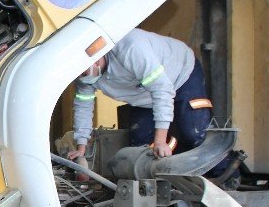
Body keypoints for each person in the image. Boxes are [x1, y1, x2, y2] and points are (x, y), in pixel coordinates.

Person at [68, 28, 222, 167]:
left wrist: (160, 142)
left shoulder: (131, 49)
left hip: (180, 75)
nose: (82, 78)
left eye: (83, 73)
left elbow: (162, 89)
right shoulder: (85, 76)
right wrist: (82, 148)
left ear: (95, 59)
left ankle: (227, 172)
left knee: (193, 132)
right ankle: (175, 173)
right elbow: (83, 107)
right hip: (145, 96)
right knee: (141, 143)